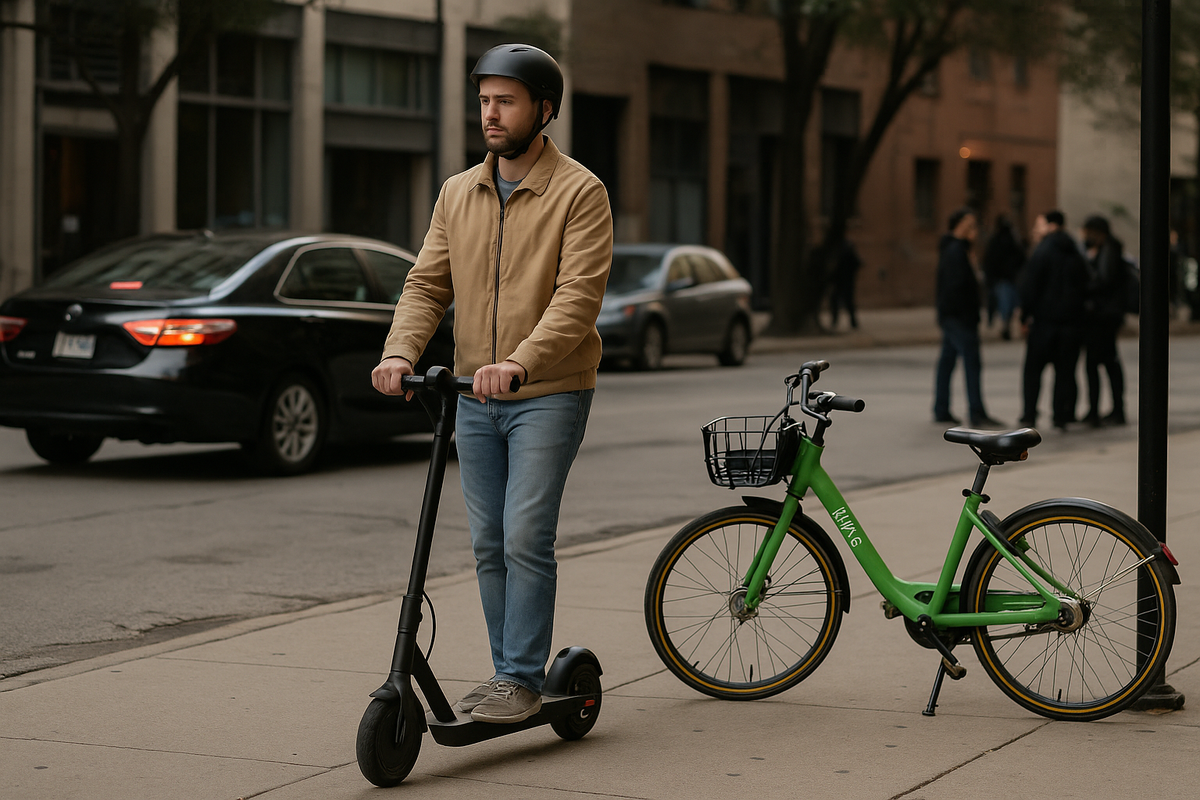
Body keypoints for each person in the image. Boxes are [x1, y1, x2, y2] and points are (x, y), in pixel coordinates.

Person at [370, 44, 613, 724]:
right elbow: (426, 285)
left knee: (524, 534)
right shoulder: (458, 191)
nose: (490, 113)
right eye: (484, 100)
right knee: (487, 541)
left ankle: (520, 677)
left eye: (505, 101)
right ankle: (512, 672)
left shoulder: (580, 192)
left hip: (549, 392)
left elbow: (577, 298)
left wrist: (523, 362)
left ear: (544, 108)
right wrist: (399, 351)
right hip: (474, 395)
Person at [1018, 211, 1089, 430]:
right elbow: (1085, 283)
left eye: (1039, 225)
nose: (1035, 231)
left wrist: (1024, 316)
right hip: (1070, 323)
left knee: (1033, 372)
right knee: (1065, 373)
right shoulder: (1075, 251)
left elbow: (1030, 286)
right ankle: (1062, 414)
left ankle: (1030, 414)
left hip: (1044, 322)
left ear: (1051, 226)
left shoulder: (1042, 251)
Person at [933, 207, 1003, 427]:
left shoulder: (959, 249)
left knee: (948, 360)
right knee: (971, 361)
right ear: (960, 224)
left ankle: (941, 408)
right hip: (959, 317)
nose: (975, 229)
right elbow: (957, 286)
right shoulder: (955, 250)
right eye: (970, 224)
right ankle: (976, 411)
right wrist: (965, 313)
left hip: (954, 315)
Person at [1080, 215, 1127, 426]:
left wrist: (1086, 285)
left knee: (1096, 364)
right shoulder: (1111, 249)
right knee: (1109, 363)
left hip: (1102, 317)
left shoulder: (1108, 251)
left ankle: (1098, 411)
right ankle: (1115, 408)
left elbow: (1104, 281)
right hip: (1108, 316)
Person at [981, 214, 1025, 340]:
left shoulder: (997, 241)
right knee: (1007, 304)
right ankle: (1006, 326)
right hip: (1008, 278)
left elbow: (989, 261)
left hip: (1003, 279)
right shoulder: (1012, 240)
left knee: (1004, 304)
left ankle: (1004, 326)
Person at [829, 237, 862, 329]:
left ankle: (850, 322)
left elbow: (857, 263)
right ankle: (849, 322)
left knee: (846, 302)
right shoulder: (842, 250)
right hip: (842, 281)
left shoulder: (843, 251)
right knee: (842, 302)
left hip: (844, 281)